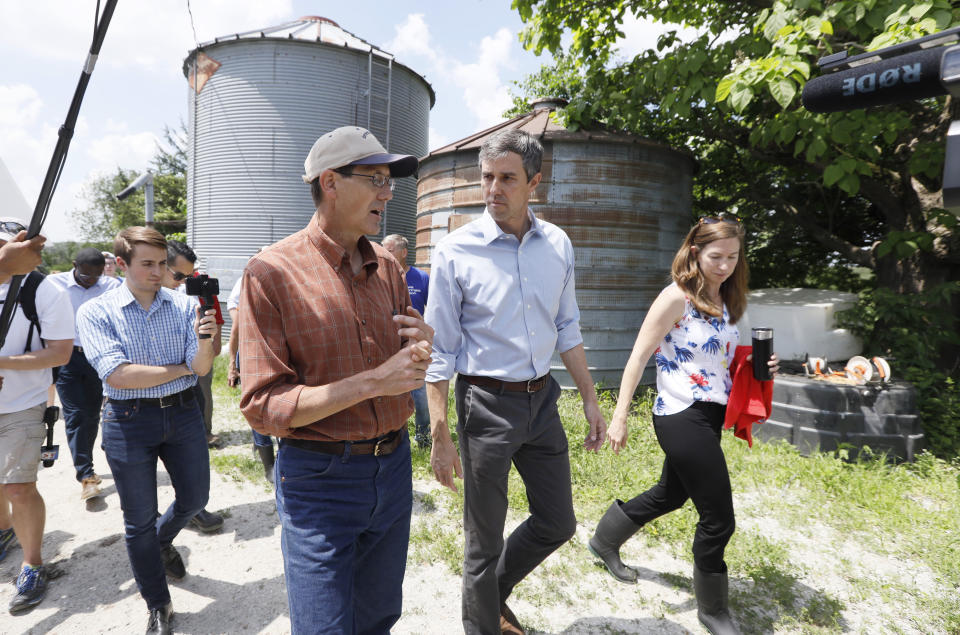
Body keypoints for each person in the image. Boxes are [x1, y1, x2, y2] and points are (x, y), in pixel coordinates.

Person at [238, 126, 432, 634]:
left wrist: (420, 348)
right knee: (325, 627)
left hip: (392, 468)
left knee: (378, 617)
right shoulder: (271, 272)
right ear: (330, 182)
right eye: (375, 179)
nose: (387, 194)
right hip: (320, 480)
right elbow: (263, 406)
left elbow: (403, 362)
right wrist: (373, 383)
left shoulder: (388, 266)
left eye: (390, 181)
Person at [426, 129, 607, 635]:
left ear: (535, 184)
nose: (493, 189)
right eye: (487, 177)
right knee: (482, 540)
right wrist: (440, 432)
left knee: (558, 521)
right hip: (485, 403)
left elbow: (567, 326)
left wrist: (590, 399)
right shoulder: (457, 251)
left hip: (541, 400)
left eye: (507, 178)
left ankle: (492, 595)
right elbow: (439, 351)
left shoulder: (557, 245)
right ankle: (482, 623)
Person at [587, 217, 779, 635]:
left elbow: (717, 361)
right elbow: (638, 356)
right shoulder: (675, 298)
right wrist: (619, 416)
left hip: (710, 412)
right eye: (716, 257)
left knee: (671, 494)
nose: (725, 265)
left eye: (732, 257)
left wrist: (758, 367)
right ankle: (713, 611)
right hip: (678, 412)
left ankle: (603, 541)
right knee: (719, 518)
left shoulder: (729, 300)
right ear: (695, 252)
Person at [77, 226, 217, 635]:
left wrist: (207, 340)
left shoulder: (181, 304)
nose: (159, 272)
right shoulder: (96, 311)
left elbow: (204, 366)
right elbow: (119, 376)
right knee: (137, 520)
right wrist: (183, 368)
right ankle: (158, 604)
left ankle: (161, 540)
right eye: (148, 264)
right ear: (121, 264)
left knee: (196, 497)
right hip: (127, 419)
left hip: (183, 412)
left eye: (162, 264)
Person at [0, 217, 73, 614]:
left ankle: (32, 563)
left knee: (17, 487)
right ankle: (3, 532)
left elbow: (60, 352)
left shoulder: (44, 289)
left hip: (22, 404)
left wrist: (3, 363)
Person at [48, 247, 121, 502]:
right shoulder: (54, 285)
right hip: (67, 357)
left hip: (97, 355)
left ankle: (109, 451)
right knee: (77, 415)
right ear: (73, 265)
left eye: (97, 275)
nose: (91, 280)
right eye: (86, 275)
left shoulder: (110, 286)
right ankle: (86, 476)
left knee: (96, 413)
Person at [162, 240, 225, 533]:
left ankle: (193, 509)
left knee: (191, 459)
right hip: (146, 401)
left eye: (189, 277)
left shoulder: (198, 298)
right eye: (179, 277)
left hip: (189, 391)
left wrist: (206, 334)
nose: (184, 284)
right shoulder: (133, 302)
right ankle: (157, 528)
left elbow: (216, 347)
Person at [381, 233, 431, 448]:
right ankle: (392, 439)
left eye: (389, 249)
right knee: (387, 395)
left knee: (420, 397)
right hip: (386, 345)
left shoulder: (421, 278)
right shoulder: (378, 277)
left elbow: (436, 309)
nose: (384, 253)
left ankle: (423, 439)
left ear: (403, 253)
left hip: (414, 347)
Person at [225, 272, 275, 483]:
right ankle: (269, 466)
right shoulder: (248, 295)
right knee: (258, 408)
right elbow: (235, 332)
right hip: (251, 356)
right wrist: (232, 366)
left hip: (275, 356)